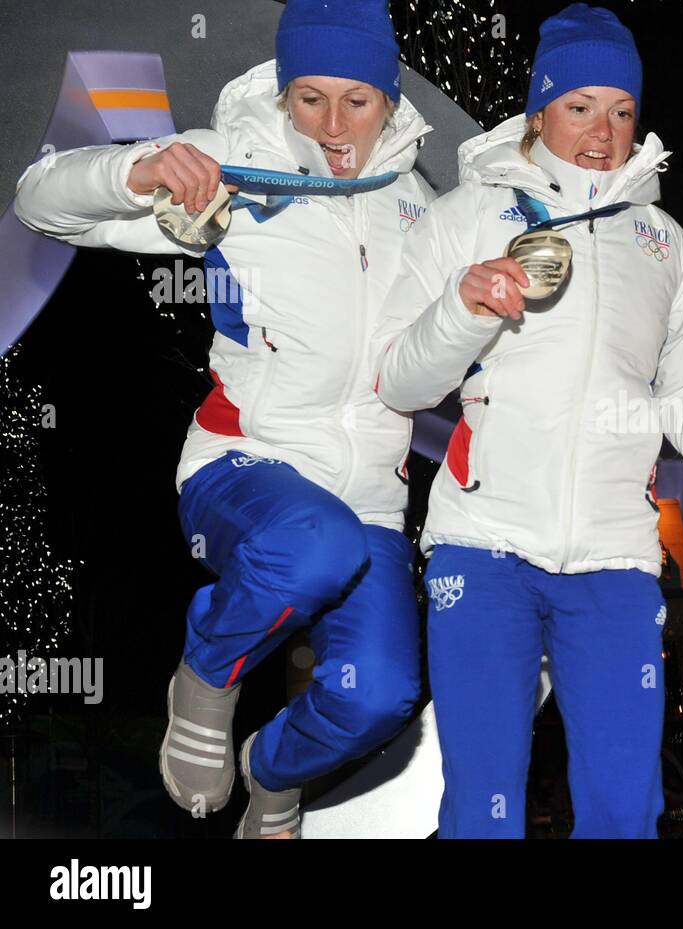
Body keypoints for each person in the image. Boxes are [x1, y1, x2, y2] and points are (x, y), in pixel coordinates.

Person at [15, 0, 431, 838]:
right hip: (244, 464)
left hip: (370, 501)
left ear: (390, 98)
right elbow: (39, 202)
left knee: (382, 693)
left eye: (358, 99)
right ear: (282, 92)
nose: (333, 123)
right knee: (314, 544)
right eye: (309, 97)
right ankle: (204, 677)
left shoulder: (416, 200)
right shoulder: (235, 162)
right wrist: (140, 170)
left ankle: (275, 775)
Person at [376, 3, 683, 838]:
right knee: (484, 807)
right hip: (482, 547)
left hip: (614, 561)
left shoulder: (669, 248)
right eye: (580, 106)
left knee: (624, 811)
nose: (603, 132)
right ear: (538, 111)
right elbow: (399, 380)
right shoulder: (465, 217)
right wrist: (466, 305)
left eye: (623, 111)